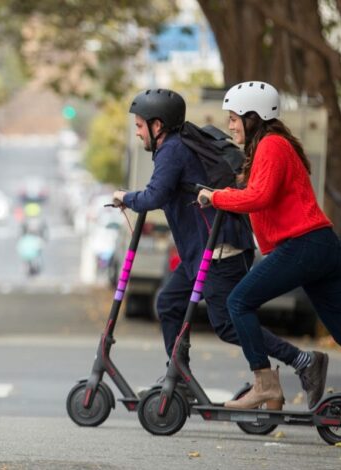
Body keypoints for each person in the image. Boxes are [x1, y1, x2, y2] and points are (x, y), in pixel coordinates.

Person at [114, 88, 327, 407]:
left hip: (218, 250)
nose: (137, 130)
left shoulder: (173, 149)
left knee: (228, 323)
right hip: (200, 252)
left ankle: (302, 361)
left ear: (158, 125)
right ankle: (180, 377)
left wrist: (125, 197)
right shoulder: (179, 142)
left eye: (140, 124)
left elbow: (155, 195)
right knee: (170, 304)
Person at [198, 81, 341, 410]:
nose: (230, 124)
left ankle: (265, 385)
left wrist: (216, 197)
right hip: (319, 246)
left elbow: (259, 197)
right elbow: (259, 196)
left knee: (238, 302)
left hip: (304, 245)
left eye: (233, 117)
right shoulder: (268, 147)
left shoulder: (272, 145)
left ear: (253, 117)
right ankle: (298, 370)